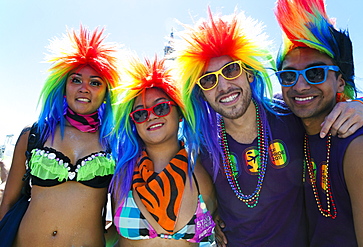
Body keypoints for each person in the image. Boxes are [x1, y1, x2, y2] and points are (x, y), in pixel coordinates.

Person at [172, 8, 363, 246]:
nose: (223, 86)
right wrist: (212, 218)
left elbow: (323, 103)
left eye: (231, 69)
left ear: (250, 73)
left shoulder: (287, 112)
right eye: (208, 80)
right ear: (202, 94)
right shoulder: (202, 144)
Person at [0, 26, 120, 246]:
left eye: (95, 82)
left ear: (106, 93)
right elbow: (7, 202)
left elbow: (120, 217)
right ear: (63, 86)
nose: (84, 88)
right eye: (76, 80)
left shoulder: (115, 144)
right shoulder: (34, 134)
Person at [275, 0, 363, 245]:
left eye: (315, 73)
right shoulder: (290, 126)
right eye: (288, 75)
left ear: (340, 81)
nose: (300, 86)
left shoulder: (357, 146)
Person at [109, 55, 216, 246]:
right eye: (140, 113)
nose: (150, 116)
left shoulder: (204, 167)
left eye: (161, 108)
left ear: (180, 112)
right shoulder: (121, 175)